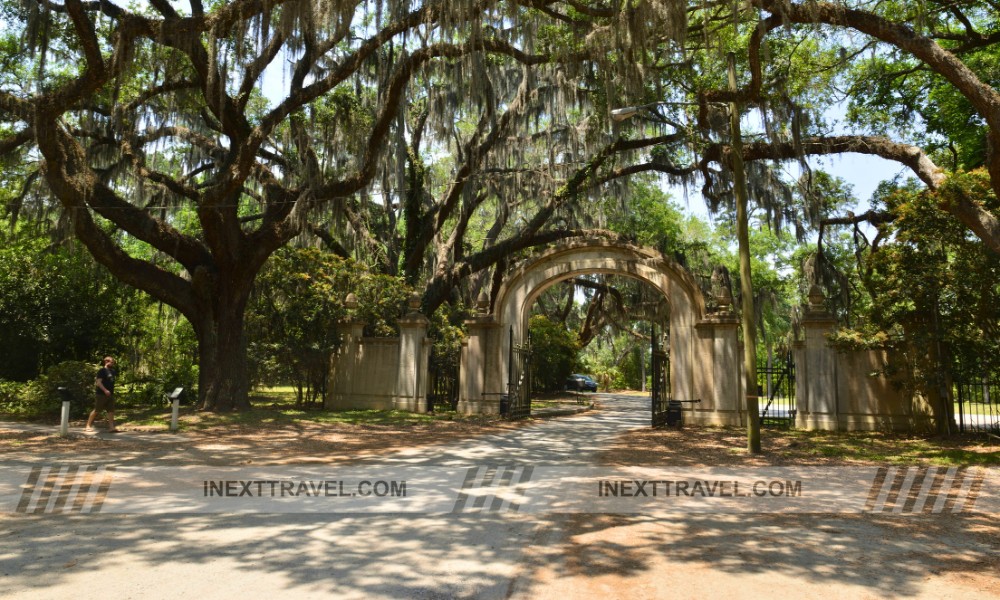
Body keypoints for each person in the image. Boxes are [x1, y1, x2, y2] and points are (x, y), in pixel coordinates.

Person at [86, 356, 118, 432]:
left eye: (113, 362)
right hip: (101, 394)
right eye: (111, 362)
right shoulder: (102, 371)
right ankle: (88, 426)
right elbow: (98, 382)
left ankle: (111, 427)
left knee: (111, 411)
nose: (112, 363)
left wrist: (110, 391)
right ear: (106, 361)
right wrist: (105, 390)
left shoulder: (113, 371)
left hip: (110, 394)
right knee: (97, 410)